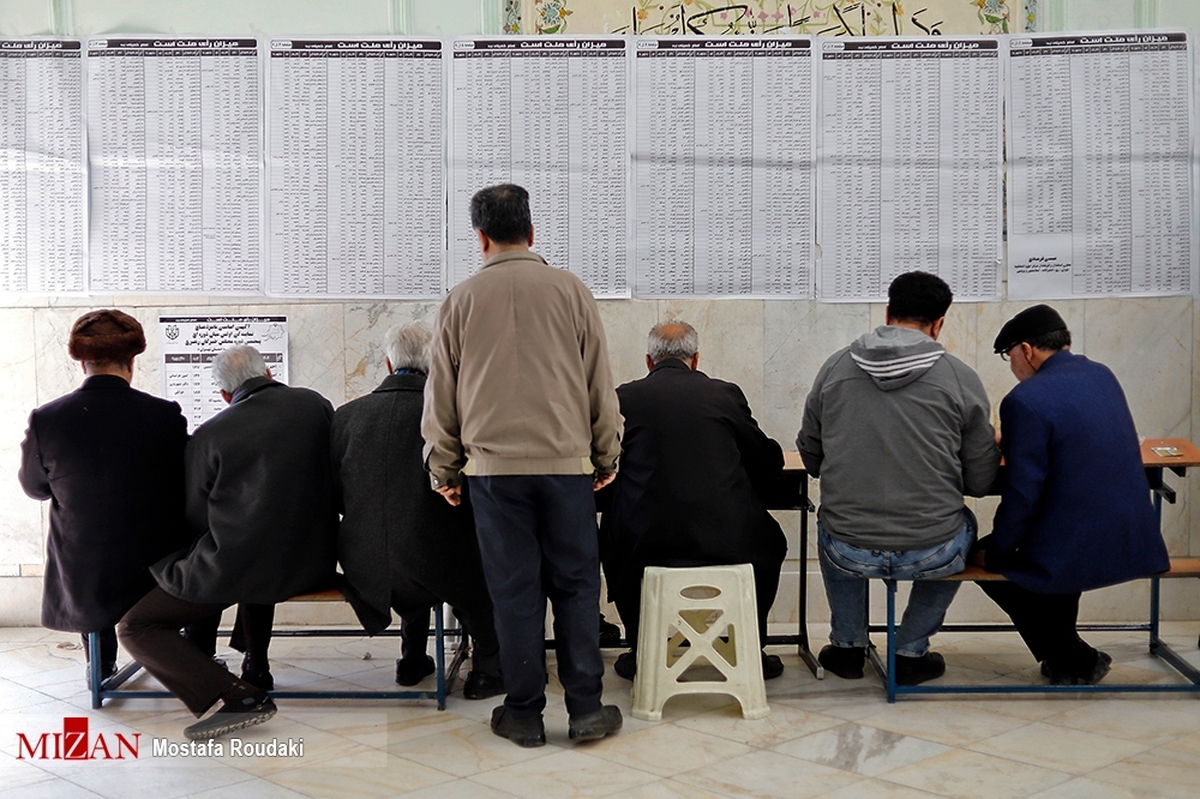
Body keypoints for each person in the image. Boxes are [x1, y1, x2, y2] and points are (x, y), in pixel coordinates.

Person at [423, 183, 623, 747]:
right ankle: (586, 708)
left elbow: (441, 397)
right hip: (566, 467)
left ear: (480, 237)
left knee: (514, 593)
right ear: (532, 232)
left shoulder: (459, 300)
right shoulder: (572, 291)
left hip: (492, 472)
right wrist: (606, 453)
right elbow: (599, 384)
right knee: (578, 587)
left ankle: (524, 713)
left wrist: (445, 468)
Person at [119, 345, 339, 741]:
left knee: (136, 625)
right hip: (312, 562)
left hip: (242, 567)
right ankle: (256, 664)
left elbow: (195, 515)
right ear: (269, 373)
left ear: (223, 394)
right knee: (260, 555)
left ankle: (231, 693)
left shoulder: (212, 433)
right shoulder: (314, 405)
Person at [797, 271, 999, 686]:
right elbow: (980, 481)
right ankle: (909, 650)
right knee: (965, 524)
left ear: (888, 312)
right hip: (932, 551)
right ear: (940, 322)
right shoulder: (960, 377)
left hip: (847, 550)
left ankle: (848, 647)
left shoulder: (835, 368)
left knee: (830, 519)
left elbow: (811, 454)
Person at [975, 304, 1169, 684]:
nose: (1011, 365)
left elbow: (1022, 494)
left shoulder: (1024, 400)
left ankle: (1073, 656)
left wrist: (996, 552)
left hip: (1077, 541)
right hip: (1133, 536)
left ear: (1027, 350)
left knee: (982, 560)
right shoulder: (1102, 375)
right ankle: (1067, 658)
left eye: (1008, 355)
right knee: (1052, 540)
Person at [600, 321, 787, 681]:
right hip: (726, 543)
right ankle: (752, 649)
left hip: (644, 545)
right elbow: (766, 461)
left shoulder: (624, 398)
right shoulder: (723, 395)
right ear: (696, 359)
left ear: (648, 361)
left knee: (615, 537)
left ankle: (641, 651)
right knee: (772, 542)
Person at [332, 321, 504, 699]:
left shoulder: (345, 417)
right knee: (472, 554)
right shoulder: (456, 417)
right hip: (438, 564)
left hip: (364, 566)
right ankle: (488, 672)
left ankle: (412, 659)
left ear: (389, 365)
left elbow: (337, 496)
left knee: (404, 532)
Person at [18, 309, 189, 686]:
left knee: (81, 543)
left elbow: (34, 488)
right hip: (155, 567)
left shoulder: (46, 419)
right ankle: (181, 659)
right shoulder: (165, 415)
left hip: (85, 572)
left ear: (82, 364)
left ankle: (101, 664)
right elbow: (186, 483)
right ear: (132, 362)